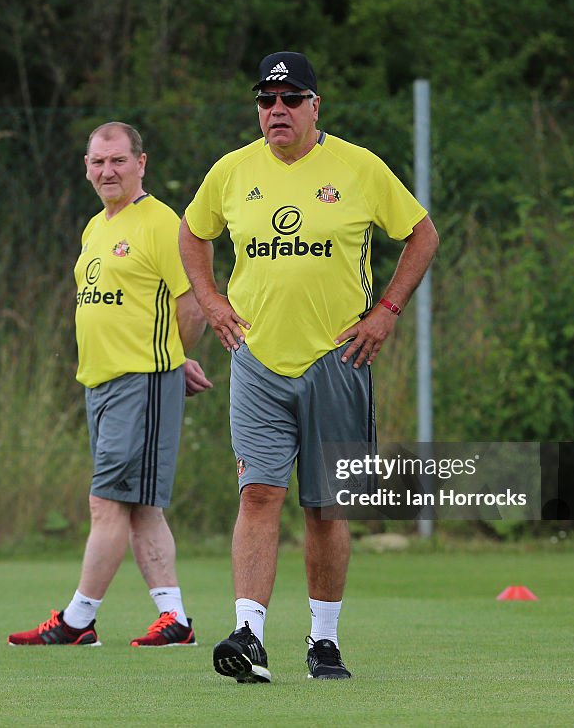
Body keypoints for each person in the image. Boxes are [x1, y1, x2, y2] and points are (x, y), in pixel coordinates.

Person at [179, 52, 439, 681]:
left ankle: (323, 641)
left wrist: (387, 311)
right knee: (260, 492)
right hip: (257, 358)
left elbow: (422, 234)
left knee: (326, 508)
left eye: (291, 99)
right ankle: (249, 636)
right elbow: (192, 234)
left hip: (338, 358)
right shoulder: (233, 171)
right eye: (267, 101)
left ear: (315, 105)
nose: (277, 111)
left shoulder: (355, 166)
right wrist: (212, 303)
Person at [9, 121, 212, 648]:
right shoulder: (96, 227)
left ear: (141, 163)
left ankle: (79, 620)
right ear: (86, 168)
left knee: (107, 503)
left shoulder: (161, 222)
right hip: (101, 384)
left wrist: (175, 358)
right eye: (98, 162)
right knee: (141, 506)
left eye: (118, 160)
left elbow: (192, 300)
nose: (108, 171)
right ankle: (175, 620)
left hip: (140, 381)